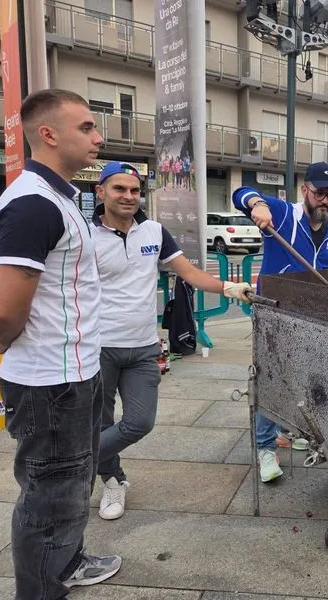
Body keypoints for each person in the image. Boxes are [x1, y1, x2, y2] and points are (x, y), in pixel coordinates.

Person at [0, 89, 121, 597]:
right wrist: (2, 330)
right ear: (48, 135)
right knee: (50, 495)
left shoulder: (59, 198)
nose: (98, 138)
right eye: (87, 128)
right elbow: (6, 309)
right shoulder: (32, 202)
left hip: (74, 371)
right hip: (51, 384)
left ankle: (67, 561)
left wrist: (6, 326)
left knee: (72, 485)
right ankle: (39, 589)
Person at [91, 161, 253, 520]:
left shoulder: (154, 232)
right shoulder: (85, 236)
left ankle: (74, 462)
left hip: (143, 347)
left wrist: (229, 286)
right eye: (119, 189)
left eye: (134, 190)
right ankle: (111, 480)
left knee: (139, 422)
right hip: (96, 347)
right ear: (101, 192)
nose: (128, 196)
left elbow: (191, 273)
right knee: (99, 424)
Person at [233, 161, 328, 483]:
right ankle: (265, 447)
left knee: (303, 377)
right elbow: (241, 193)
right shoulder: (283, 214)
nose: (325, 200)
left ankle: (287, 429)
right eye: (319, 193)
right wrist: (257, 206)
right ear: (305, 191)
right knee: (271, 378)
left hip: (310, 317)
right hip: (274, 312)